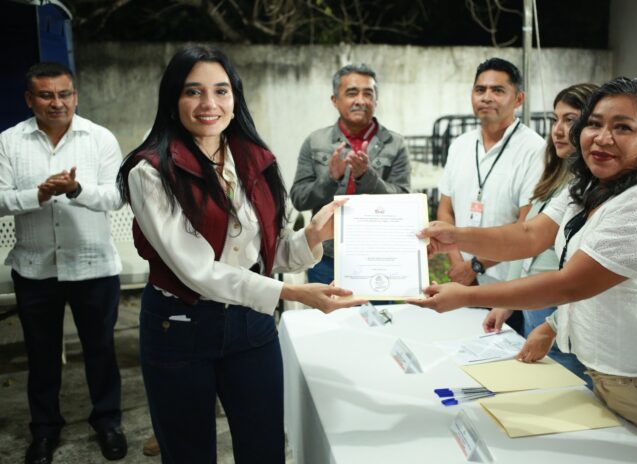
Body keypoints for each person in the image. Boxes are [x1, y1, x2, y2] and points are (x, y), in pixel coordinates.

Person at [409, 77, 637, 463]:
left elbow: (568, 285)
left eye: (623, 127)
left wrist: (468, 296)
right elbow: (530, 234)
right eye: (594, 124)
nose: (602, 137)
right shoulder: (588, 185)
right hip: (605, 376)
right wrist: (456, 236)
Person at [117, 45, 364, 464]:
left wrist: (314, 234)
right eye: (193, 92)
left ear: (235, 98)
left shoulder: (256, 160)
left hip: (252, 325)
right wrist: (294, 295)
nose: (209, 104)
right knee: (189, 453)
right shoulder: (152, 172)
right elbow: (198, 271)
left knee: (265, 448)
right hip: (181, 327)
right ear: (173, 100)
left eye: (221, 90)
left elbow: (271, 253)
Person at [0, 62, 127, 463]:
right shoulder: (8, 142)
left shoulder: (99, 138)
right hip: (35, 267)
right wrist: (35, 196)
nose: (57, 103)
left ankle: (108, 423)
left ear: (75, 96)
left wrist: (76, 188)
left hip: (94, 266)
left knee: (101, 351)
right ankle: (44, 430)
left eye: (64, 94)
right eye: (46, 95)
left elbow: (116, 196)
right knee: (41, 354)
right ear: (29, 99)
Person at [484, 83, 598, 385]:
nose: (558, 130)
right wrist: (507, 300)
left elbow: (589, 278)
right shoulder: (554, 175)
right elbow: (526, 241)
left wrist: (552, 326)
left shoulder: (595, 187)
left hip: (562, 313)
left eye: (570, 120)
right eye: (555, 119)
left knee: (569, 393)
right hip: (535, 304)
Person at [437, 57, 545, 333]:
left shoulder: (535, 150)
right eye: (480, 90)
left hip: (510, 290)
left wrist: (475, 265)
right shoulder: (460, 146)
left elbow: (527, 227)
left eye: (497, 90)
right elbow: (445, 210)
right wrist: (460, 265)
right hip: (463, 284)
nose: (486, 97)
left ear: (518, 98)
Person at [290, 63, 411, 284]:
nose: (360, 100)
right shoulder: (316, 141)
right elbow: (299, 199)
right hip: (325, 257)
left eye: (368, 93)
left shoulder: (395, 143)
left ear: (376, 100)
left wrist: (367, 177)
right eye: (352, 93)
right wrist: (330, 179)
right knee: (327, 318)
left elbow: (404, 201)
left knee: (382, 318)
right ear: (335, 100)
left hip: (379, 257)